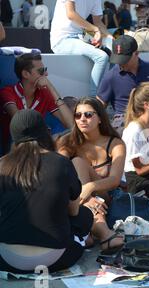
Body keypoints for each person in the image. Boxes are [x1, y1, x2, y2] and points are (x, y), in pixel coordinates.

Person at [0, 110, 93, 273]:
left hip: (8, 259)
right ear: (45, 133)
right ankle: (80, 241)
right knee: (85, 215)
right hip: (52, 259)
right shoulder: (62, 163)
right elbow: (74, 211)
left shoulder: (2, 164)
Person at [57, 97, 126, 254]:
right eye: (78, 115)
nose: (82, 119)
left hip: (107, 197)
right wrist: (85, 193)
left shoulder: (115, 143)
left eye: (88, 115)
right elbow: (56, 169)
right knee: (77, 162)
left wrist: (89, 187)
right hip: (79, 200)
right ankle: (101, 234)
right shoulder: (68, 141)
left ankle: (90, 231)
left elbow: (114, 180)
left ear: (100, 118)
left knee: (78, 163)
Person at [0, 53, 73, 154]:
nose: (46, 74)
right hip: (16, 147)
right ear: (26, 74)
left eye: (45, 69)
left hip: (39, 146)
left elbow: (71, 125)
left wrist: (50, 87)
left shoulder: (44, 94)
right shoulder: (8, 92)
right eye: (41, 71)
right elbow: (21, 124)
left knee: (69, 134)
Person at [97, 35, 149, 134]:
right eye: (118, 59)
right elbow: (99, 105)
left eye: (124, 59)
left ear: (136, 53)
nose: (120, 63)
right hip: (125, 119)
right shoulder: (111, 76)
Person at [50, 0, 112, 96]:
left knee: (114, 51)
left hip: (81, 36)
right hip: (62, 40)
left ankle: (109, 97)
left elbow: (98, 22)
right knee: (101, 57)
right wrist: (95, 29)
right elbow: (71, 14)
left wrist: (111, 38)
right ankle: (94, 101)